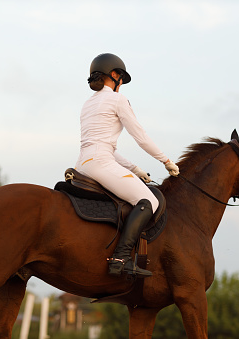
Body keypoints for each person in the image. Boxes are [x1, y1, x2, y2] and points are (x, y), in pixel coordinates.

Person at [75, 53, 179, 278]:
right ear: (114, 75)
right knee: (148, 200)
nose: (121, 84)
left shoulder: (87, 104)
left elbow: (104, 147)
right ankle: (121, 258)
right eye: (121, 78)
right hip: (100, 163)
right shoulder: (117, 100)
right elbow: (140, 137)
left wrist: (136, 170)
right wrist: (166, 161)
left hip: (83, 165)